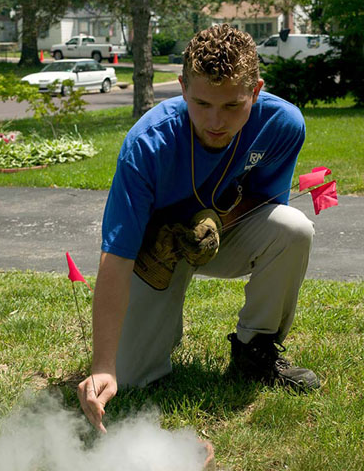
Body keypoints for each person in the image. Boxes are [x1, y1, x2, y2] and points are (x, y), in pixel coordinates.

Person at [78, 24, 320, 432]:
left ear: (256, 91)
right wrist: (102, 365)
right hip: (155, 254)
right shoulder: (146, 144)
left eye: (232, 106)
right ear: (183, 88)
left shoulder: (283, 125)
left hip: (220, 238)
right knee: (132, 376)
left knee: (293, 228)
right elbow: (116, 257)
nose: (215, 121)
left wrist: (213, 220)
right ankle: (145, 343)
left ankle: (253, 350)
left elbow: (266, 205)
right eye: (202, 103)